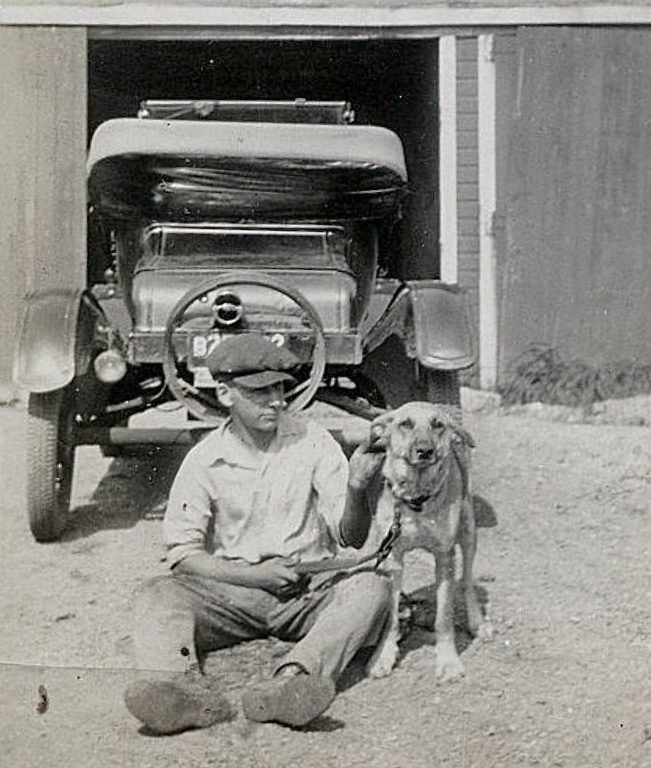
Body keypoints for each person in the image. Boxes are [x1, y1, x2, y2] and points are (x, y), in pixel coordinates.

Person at [124, 333, 391, 733]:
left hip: (305, 592)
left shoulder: (312, 440)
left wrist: (356, 488)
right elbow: (183, 555)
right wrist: (255, 576)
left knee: (371, 588)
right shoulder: (204, 459)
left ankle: (293, 681)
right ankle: (184, 693)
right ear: (226, 394)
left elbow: (350, 537)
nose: (276, 401)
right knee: (157, 593)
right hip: (232, 596)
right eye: (259, 391)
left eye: (279, 389)